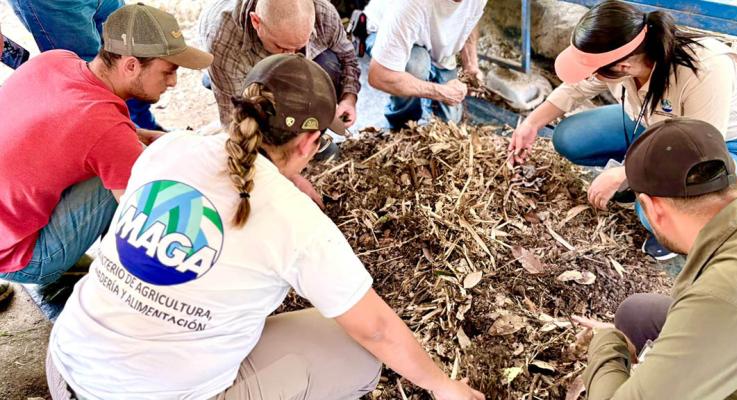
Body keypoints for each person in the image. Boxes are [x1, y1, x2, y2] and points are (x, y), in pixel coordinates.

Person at [46, 54, 484, 400]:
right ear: (310, 143)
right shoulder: (295, 220)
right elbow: (377, 330)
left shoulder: (173, 148)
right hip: (151, 394)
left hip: (66, 364)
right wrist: (445, 387)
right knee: (357, 356)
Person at [508, 0, 737, 260]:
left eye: (595, 72)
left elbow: (700, 149)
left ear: (623, 67)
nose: (592, 77)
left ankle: (679, 232)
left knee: (651, 212)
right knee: (568, 138)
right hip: (653, 126)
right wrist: (531, 123)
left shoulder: (706, 68)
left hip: (722, 150)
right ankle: (642, 178)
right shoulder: (627, 58)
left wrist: (623, 173)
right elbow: (576, 87)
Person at [572, 118, 737, 399]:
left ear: (652, 208)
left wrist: (606, 344)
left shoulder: (724, 297)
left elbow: (724, 309)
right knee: (637, 314)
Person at [0, 4, 213, 289]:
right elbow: (144, 221)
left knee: (113, 159)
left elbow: (93, 128)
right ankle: (114, 285)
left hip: (5, 229)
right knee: (138, 177)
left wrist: (145, 138)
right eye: (168, 71)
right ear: (131, 65)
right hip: (19, 258)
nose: (173, 83)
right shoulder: (107, 130)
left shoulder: (56, 60)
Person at [8, 0, 168, 130]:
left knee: (132, 50)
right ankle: (129, 141)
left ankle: (147, 129)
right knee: (93, 79)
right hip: (54, 4)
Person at [200, 0, 361, 129]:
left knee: (329, 64)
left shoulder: (323, 12)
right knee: (258, 109)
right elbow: (234, 115)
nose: (290, 56)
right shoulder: (224, 41)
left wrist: (348, 98)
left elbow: (347, 57)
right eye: (282, 47)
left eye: (298, 47)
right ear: (256, 22)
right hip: (235, 66)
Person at [363, 0, 486, 129]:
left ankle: (425, 87)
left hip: (432, 36)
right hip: (389, 31)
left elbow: (471, 16)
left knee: (450, 120)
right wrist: (440, 92)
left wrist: (471, 64)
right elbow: (379, 75)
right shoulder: (410, 4)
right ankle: (402, 123)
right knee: (416, 63)